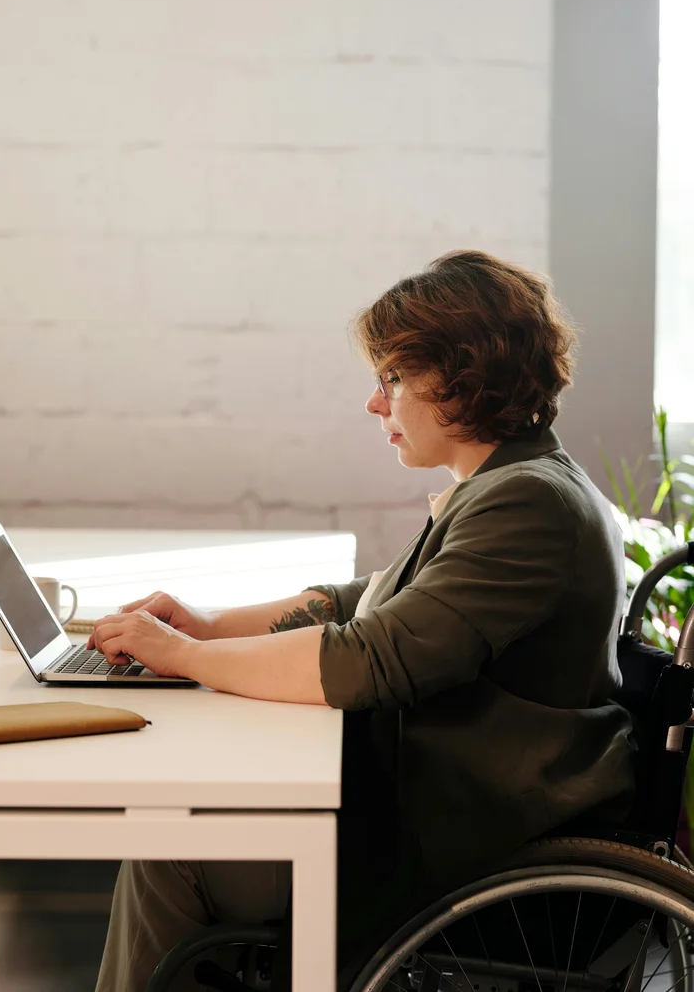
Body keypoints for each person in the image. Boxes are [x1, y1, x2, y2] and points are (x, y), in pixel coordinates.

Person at [93, 250, 636, 992]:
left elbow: (367, 659)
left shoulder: (527, 503)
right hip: (452, 809)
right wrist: (206, 626)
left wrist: (184, 656)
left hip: (464, 838)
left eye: (391, 378)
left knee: (173, 846)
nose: (375, 404)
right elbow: (364, 600)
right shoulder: (509, 482)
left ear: (460, 374)